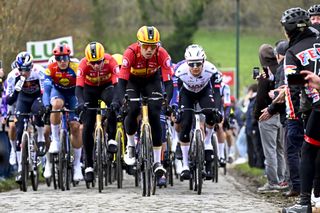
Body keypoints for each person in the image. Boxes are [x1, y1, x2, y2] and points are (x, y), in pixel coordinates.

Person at [111, 26, 173, 184]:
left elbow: (168, 82)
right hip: (133, 81)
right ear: (139, 44)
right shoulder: (130, 53)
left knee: (155, 115)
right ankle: (131, 146)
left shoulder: (162, 54)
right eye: (146, 46)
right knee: (131, 110)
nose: (149, 50)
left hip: (152, 81)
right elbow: (121, 81)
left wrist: (167, 100)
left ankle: (157, 162)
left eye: (153, 46)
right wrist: (120, 100)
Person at [280, 7, 320, 213]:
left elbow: (293, 88)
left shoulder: (292, 52)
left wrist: (293, 117)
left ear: (289, 30)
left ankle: (305, 202)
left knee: (308, 151)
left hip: (317, 106)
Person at [174, 44, 222, 180]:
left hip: (204, 93)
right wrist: (175, 108)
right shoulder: (180, 72)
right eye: (191, 64)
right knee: (185, 121)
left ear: (204, 62)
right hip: (187, 94)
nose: (195, 67)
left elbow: (217, 93)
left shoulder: (211, 70)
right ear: (186, 63)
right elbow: (175, 93)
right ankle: (185, 165)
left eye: (198, 64)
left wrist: (218, 109)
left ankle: (207, 143)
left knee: (211, 112)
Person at [76, 42, 118, 182]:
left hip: (107, 87)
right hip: (90, 91)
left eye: (98, 62)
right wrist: (81, 103)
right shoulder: (82, 65)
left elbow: (117, 84)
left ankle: (111, 138)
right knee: (88, 126)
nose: (95, 65)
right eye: (92, 63)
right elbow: (79, 88)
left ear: (103, 58)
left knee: (112, 105)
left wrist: (116, 102)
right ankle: (88, 165)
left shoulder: (110, 61)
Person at [42, 44, 83, 181]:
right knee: (56, 105)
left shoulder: (76, 66)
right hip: (58, 92)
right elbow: (47, 90)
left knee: (76, 127)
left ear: (69, 57)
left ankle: (77, 165)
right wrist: (47, 105)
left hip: (73, 93)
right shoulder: (51, 68)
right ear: (55, 59)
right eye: (59, 58)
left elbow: (81, 86)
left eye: (65, 58)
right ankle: (56, 141)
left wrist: (81, 102)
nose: (62, 61)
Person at [6, 51, 46, 183]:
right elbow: (9, 101)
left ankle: (40, 137)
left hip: (36, 97)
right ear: (18, 68)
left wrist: (44, 105)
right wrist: (17, 88)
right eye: (22, 69)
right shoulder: (13, 76)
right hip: (22, 99)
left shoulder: (38, 71)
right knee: (18, 128)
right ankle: (20, 168)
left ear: (32, 66)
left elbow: (44, 91)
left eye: (27, 69)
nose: (25, 72)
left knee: (38, 111)